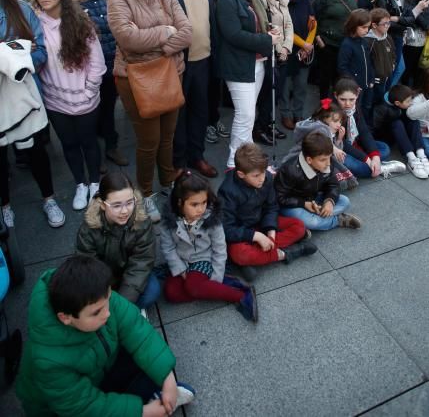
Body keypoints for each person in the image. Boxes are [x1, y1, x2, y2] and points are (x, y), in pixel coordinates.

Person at [16, 255, 195, 416]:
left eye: (109, 300)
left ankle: (155, 396)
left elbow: (137, 330)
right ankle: (152, 400)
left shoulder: (96, 296)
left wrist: (167, 378)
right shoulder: (49, 361)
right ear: (66, 318)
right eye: (96, 313)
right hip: (61, 409)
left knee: (148, 359)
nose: (107, 313)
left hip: (99, 368)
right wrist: (143, 412)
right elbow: (83, 407)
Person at [107, 0, 192, 223]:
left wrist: (162, 46)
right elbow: (127, 40)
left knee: (168, 135)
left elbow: (187, 32)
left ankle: (167, 180)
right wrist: (166, 32)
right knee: (149, 141)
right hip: (136, 79)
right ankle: (144, 193)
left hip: (170, 72)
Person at [30, 0, 106, 211]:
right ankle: (80, 184)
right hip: (55, 100)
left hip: (84, 96)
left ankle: (95, 183)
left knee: (88, 142)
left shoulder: (80, 22)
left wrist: (89, 91)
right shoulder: (34, 23)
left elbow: (97, 62)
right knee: (69, 144)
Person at [0, 0, 65, 229]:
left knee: (36, 152)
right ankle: (4, 205)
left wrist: (13, 60)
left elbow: (40, 54)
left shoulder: (21, 9)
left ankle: (49, 199)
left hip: (24, 95)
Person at [155, 0, 218, 178]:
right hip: (177, 62)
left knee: (200, 112)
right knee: (177, 117)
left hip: (204, 59)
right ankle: (178, 163)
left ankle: (197, 156)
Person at [159, 171, 258, 322]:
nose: (200, 209)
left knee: (192, 286)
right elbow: (168, 248)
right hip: (183, 261)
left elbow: (219, 249)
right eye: (194, 204)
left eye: (204, 203)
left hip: (204, 259)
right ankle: (219, 286)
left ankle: (241, 295)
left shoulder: (211, 219)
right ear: (179, 202)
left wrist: (216, 276)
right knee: (171, 293)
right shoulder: (169, 222)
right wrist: (180, 268)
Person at [218, 143, 316, 280]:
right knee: (239, 254)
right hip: (243, 232)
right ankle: (287, 253)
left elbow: (272, 206)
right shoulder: (227, 191)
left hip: (261, 222)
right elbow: (226, 228)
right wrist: (255, 236)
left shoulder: (267, 178)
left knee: (299, 226)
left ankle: (256, 257)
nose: (262, 178)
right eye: (256, 175)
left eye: (264, 172)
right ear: (241, 174)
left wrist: (270, 230)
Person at [216, 0, 278, 168]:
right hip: (238, 64)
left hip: (257, 62)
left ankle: (247, 156)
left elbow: (255, 25)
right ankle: (234, 161)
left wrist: (269, 31)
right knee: (245, 115)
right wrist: (266, 39)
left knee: (248, 116)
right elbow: (232, 34)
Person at [76, 171, 160, 310]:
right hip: (103, 279)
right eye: (116, 205)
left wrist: (121, 304)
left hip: (130, 273)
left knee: (152, 291)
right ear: (103, 205)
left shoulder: (142, 221)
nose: (125, 211)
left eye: (129, 203)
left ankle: (124, 311)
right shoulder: (89, 228)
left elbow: (142, 263)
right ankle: (124, 310)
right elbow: (87, 266)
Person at [73, 0, 128, 167]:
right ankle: (95, 155)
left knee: (108, 107)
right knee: (90, 112)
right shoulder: (75, 4)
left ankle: (111, 148)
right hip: (88, 69)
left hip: (112, 63)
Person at [275, 132, 361, 231]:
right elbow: (279, 197)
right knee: (312, 222)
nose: (328, 163)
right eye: (323, 160)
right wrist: (304, 204)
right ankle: (337, 220)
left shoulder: (326, 163)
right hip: (292, 205)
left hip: (313, 199)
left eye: (329, 157)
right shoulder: (289, 170)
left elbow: (333, 185)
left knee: (345, 201)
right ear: (309, 160)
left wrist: (329, 201)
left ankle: (310, 219)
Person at [333, 78, 406, 179]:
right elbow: (343, 144)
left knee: (384, 148)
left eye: (351, 99)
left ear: (357, 95)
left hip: (355, 144)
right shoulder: (332, 114)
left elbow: (364, 131)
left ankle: (375, 165)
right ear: (335, 95)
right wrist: (366, 159)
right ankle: (380, 168)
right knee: (352, 165)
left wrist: (375, 156)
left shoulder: (355, 108)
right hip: (339, 149)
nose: (348, 104)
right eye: (343, 99)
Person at [254, 0, 293, 144]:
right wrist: (278, 49)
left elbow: (288, 25)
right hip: (271, 53)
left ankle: (268, 123)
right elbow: (267, 28)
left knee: (275, 93)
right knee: (267, 94)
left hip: (282, 53)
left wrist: (286, 48)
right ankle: (260, 127)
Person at [374, 0, 429, 87]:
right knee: (390, 70)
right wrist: (403, 20)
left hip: (398, 37)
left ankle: (387, 95)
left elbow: (408, 19)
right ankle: (384, 97)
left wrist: (398, 19)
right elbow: (385, 23)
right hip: (389, 38)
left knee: (399, 68)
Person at [196, 0, 230, 145]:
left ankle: (214, 119)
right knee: (203, 89)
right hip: (202, 46)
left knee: (215, 88)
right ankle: (206, 123)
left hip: (218, 46)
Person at [312, 0, 358, 99]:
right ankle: (324, 106)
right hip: (328, 44)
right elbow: (312, 19)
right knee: (326, 78)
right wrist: (319, 39)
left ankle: (340, 105)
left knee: (341, 78)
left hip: (347, 43)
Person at [278, 0, 315, 130]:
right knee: (285, 86)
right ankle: (285, 114)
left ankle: (298, 113)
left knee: (301, 84)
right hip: (287, 49)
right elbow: (285, 28)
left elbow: (313, 23)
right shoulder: (280, 1)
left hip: (304, 50)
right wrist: (303, 44)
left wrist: (308, 44)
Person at [373, 84, 429, 179]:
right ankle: (411, 158)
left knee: (413, 119)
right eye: (408, 101)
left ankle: (421, 154)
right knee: (396, 123)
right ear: (397, 103)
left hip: (400, 130)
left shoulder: (399, 97)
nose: (411, 103)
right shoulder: (381, 108)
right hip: (386, 136)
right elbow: (374, 128)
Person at [337, 9, 375, 122]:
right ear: (354, 25)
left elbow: (369, 62)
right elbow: (342, 67)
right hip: (356, 87)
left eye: (368, 27)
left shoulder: (364, 41)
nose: (366, 30)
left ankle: (364, 131)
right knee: (355, 111)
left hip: (368, 85)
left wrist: (372, 79)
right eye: (363, 27)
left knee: (366, 107)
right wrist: (354, 85)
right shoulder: (347, 44)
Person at [365, 8, 397, 105]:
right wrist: (372, 77)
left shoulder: (388, 37)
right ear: (374, 25)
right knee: (372, 102)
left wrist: (393, 64)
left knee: (382, 100)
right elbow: (367, 62)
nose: (388, 26)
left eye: (389, 23)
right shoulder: (368, 41)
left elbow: (393, 53)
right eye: (384, 24)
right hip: (375, 81)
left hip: (387, 76)